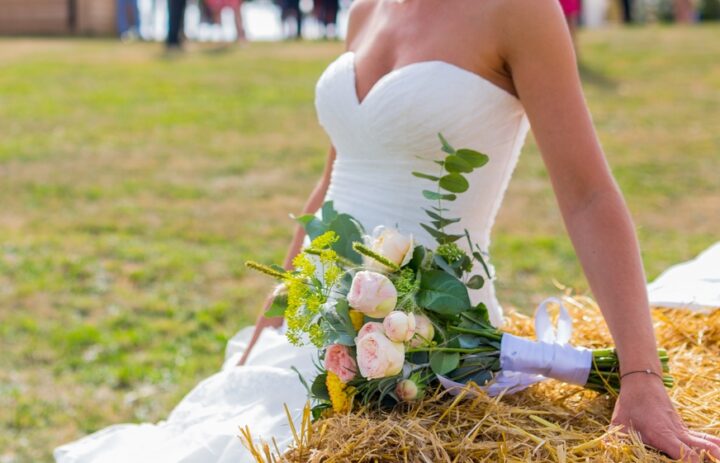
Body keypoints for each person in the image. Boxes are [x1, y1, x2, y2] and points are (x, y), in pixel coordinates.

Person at [55, 0, 720, 461]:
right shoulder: (364, 10)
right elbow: (337, 177)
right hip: (320, 329)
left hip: (430, 346)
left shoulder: (518, 10)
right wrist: (277, 309)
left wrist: (641, 375)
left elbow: (588, 195)